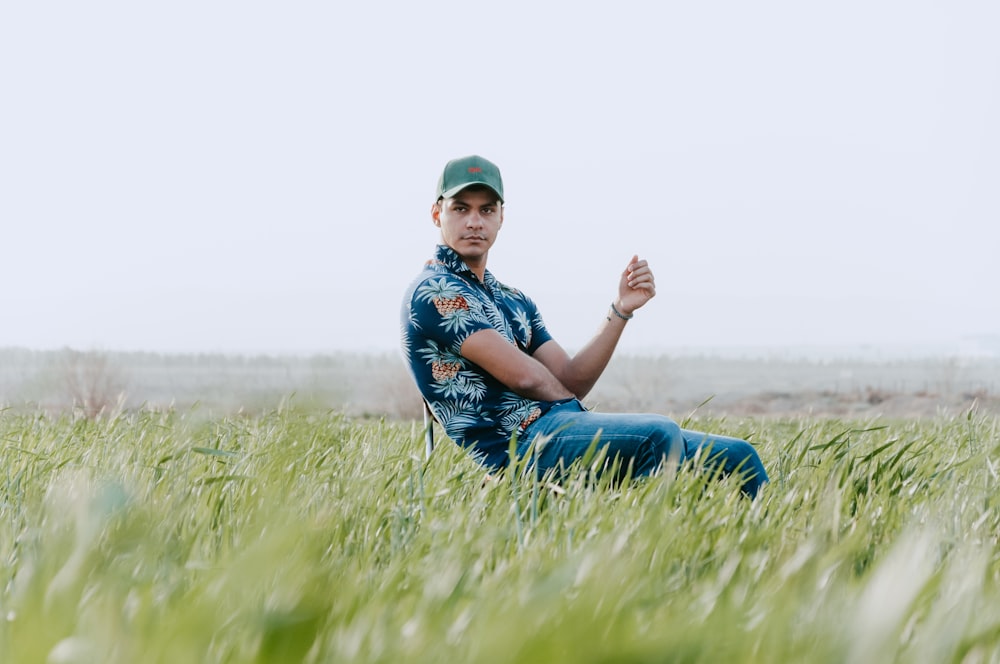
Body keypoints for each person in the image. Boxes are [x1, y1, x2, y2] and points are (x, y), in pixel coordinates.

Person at [400, 155, 768, 498]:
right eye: (460, 209)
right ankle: (643, 550)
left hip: (559, 426)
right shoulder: (434, 290)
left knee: (739, 455)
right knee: (658, 434)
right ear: (437, 214)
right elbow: (525, 378)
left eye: (486, 210)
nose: (474, 222)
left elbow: (570, 378)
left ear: (501, 217)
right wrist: (578, 413)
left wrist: (620, 310)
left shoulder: (513, 299)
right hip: (518, 446)